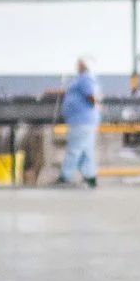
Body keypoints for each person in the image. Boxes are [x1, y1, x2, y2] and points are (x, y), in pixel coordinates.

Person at [57, 55, 101, 187]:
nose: (77, 66)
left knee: (74, 149)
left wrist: (96, 104)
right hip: (83, 120)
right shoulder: (82, 79)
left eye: (80, 63)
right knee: (86, 150)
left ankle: (66, 176)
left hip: (82, 120)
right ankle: (90, 176)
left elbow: (92, 96)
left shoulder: (86, 79)